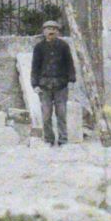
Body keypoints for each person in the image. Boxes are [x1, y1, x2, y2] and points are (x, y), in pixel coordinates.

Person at [30, 19, 76, 147]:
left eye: (54, 29)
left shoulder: (64, 46)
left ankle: (63, 140)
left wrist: (71, 80)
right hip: (44, 86)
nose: (51, 31)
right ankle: (49, 139)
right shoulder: (39, 48)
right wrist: (35, 84)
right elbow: (35, 67)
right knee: (46, 115)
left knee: (61, 114)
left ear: (58, 32)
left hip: (61, 85)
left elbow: (70, 64)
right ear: (44, 31)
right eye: (48, 29)